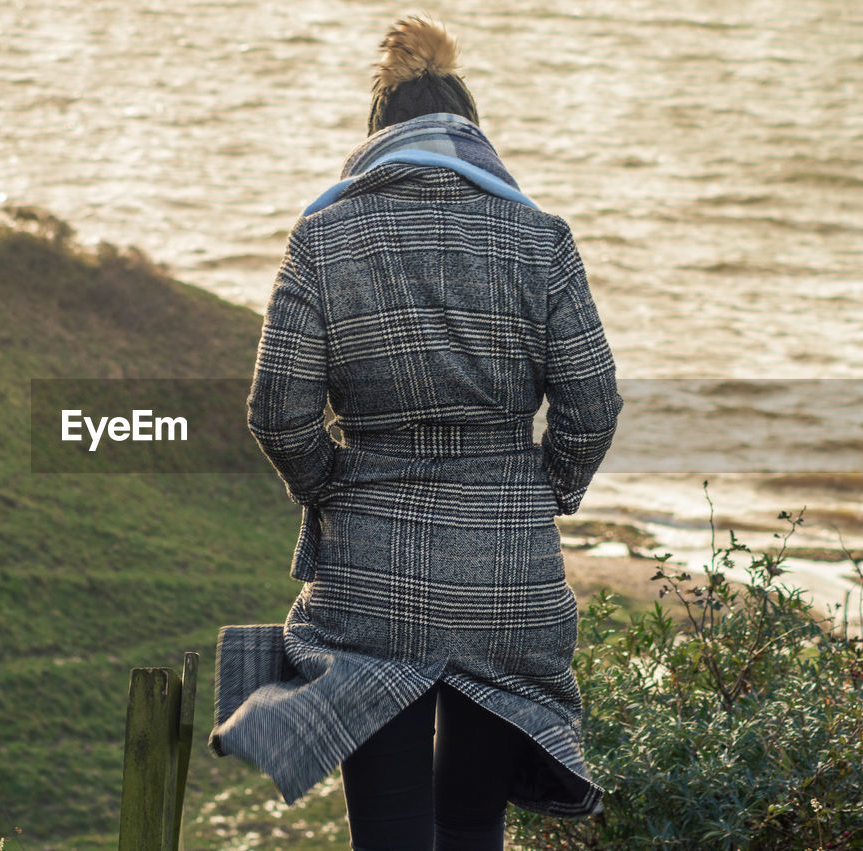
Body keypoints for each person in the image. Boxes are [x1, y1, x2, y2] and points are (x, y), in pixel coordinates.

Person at [208, 15, 623, 851]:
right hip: (506, 580)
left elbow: (275, 411)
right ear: (474, 136)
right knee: (471, 825)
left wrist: (333, 486)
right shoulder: (541, 240)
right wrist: (543, 489)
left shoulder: (323, 238)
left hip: (371, 579)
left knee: (389, 834)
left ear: (376, 137)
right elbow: (594, 402)